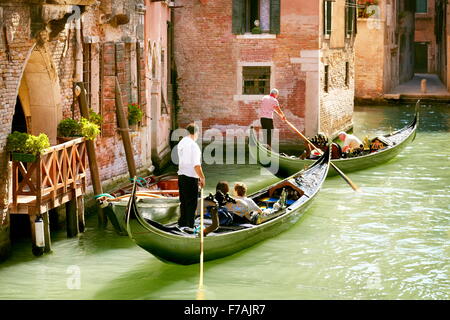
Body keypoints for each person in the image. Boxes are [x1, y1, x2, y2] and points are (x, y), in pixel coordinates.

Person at [177, 123, 205, 230]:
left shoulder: (181, 142)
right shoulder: (194, 146)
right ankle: (189, 226)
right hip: (190, 178)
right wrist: (202, 178)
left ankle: (182, 224)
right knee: (191, 204)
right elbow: (196, 166)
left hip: (181, 176)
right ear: (196, 133)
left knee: (183, 202)